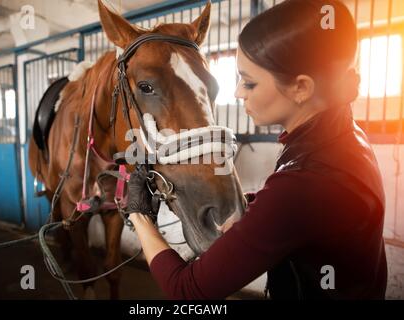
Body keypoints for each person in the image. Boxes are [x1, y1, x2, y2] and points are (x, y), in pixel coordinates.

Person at [124, 0, 388, 300]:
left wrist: (140, 216)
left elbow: (188, 290)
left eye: (249, 83)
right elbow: (303, 217)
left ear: (301, 88)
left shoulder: (305, 182)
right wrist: (254, 209)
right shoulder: (341, 138)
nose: (237, 93)